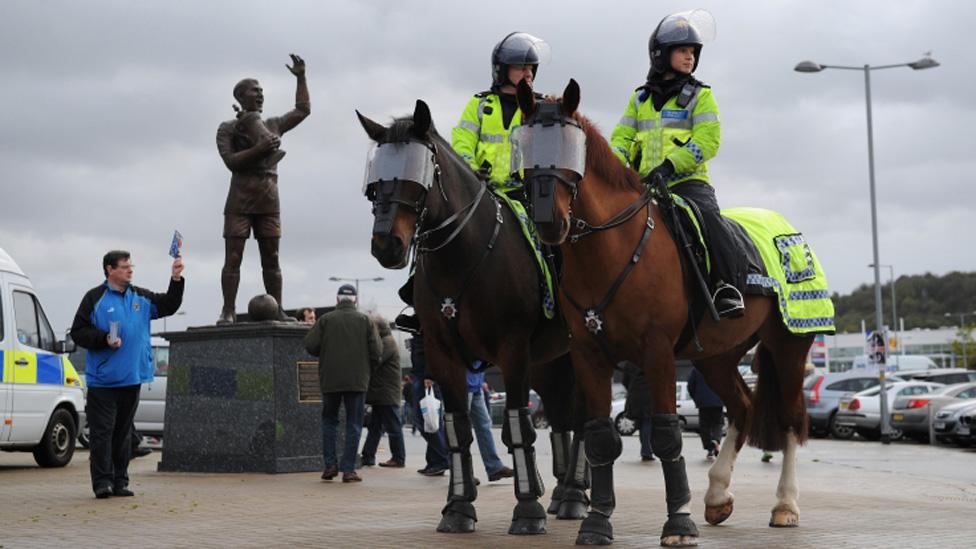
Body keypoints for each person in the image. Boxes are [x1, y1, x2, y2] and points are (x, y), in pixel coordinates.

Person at [394, 31, 550, 333]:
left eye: (532, 68)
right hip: (482, 191)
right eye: (521, 67)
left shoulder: (541, 107)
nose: (528, 73)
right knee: (438, 230)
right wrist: (473, 169)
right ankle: (418, 298)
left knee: (548, 242)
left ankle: (553, 299)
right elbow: (462, 142)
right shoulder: (479, 105)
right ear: (502, 70)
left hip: (524, 194)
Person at [609, 10, 745, 318]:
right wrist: (616, 170)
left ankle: (724, 286)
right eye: (682, 51)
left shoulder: (702, 95)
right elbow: (621, 139)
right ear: (661, 55)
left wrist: (670, 165)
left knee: (710, 218)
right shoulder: (639, 99)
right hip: (644, 187)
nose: (690, 57)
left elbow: (708, 140)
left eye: (693, 52)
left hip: (687, 184)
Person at [70, 250, 184, 498]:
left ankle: (120, 481)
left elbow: (169, 305)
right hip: (103, 381)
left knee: (122, 435)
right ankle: (102, 482)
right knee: (102, 434)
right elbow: (78, 332)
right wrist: (103, 339)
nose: (130, 270)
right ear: (110, 270)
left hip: (132, 377)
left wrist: (176, 279)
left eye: (131, 266)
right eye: (124, 267)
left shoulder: (140, 297)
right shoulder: (94, 298)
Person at [216, 54, 310, 324]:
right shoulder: (228, 129)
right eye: (254, 91)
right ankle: (228, 310)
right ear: (241, 96)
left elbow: (302, 110)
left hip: (269, 199)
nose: (260, 96)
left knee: (272, 258)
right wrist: (260, 149)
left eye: (262, 92)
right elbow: (231, 162)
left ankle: (278, 308)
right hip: (239, 201)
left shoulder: (273, 125)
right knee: (233, 258)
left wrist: (301, 77)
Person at [304, 284, 380, 483]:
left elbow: (310, 345)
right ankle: (348, 470)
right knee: (354, 424)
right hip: (357, 380)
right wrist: (367, 369)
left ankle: (330, 465)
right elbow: (377, 351)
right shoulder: (365, 321)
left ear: (337, 300)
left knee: (329, 421)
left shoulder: (325, 320)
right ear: (355, 299)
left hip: (330, 379)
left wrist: (327, 352)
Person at [360, 318, 406, 468]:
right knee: (375, 427)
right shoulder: (385, 340)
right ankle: (367, 457)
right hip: (382, 394)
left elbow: (374, 360)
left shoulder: (387, 342)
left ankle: (398, 458)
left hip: (387, 394)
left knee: (393, 427)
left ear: (377, 329)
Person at [408, 333, 450, 476]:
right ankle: (435, 461)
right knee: (430, 421)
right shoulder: (423, 326)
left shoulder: (426, 323)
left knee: (424, 420)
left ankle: (443, 458)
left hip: (426, 377)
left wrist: (429, 375)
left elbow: (434, 348)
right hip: (423, 375)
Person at [467, 366, 514, 482]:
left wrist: (482, 380)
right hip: (463, 384)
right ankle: (462, 472)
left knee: (484, 426)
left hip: (476, 384)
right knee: (460, 428)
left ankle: (494, 468)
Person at [687, 367, 724, 461]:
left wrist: (696, 398)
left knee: (704, 426)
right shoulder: (719, 367)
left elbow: (690, 385)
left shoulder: (697, 368)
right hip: (718, 400)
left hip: (703, 402)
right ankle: (716, 440)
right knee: (718, 423)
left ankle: (710, 448)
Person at [622, 362, 655, 462]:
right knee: (647, 422)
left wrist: (632, 388)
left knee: (642, 424)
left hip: (634, 396)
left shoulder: (629, 363)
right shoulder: (649, 358)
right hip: (648, 395)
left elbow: (624, 381)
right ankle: (646, 451)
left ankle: (646, 450)